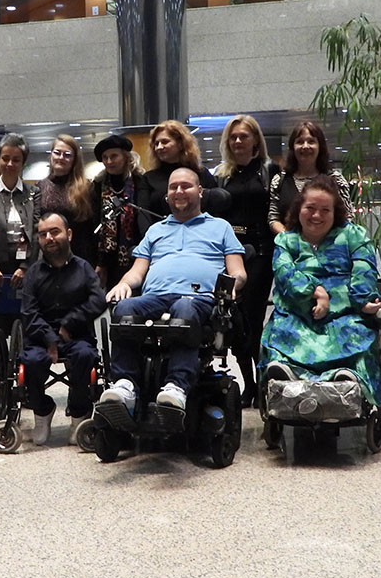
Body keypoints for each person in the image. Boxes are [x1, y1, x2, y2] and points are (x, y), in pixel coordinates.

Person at [99, 168, 245, 414]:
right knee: (124, 308)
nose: (179, 191)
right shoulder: (156, 230)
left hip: (198, 298)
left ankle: (177, 386)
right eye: (173, 187)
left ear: (200, 191)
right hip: (155, 297)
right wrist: (124, 283)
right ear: (166, 195)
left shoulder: (221, 227)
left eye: (186, 186)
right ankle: (125, 384)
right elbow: (137, 272)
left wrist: (231, 286)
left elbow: (238, 272)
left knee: (184, 308)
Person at [259, 176, 381, 406]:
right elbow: (284, 274)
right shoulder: (286, 240)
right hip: (297, 311)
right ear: (299, 209)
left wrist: (364, 299)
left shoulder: (353, 235)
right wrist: (315, 291)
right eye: (310, 208)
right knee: (282, 333)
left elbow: (364, 268)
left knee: (355, 334)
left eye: (325, 210)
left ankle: (347, 377)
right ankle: (288, 376)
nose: (316, 215)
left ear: (335, 212)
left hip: (346, 311)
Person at [19, 212, 107, 445]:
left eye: (54, 232)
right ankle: (42, 410)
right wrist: (50, 338)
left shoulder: (84, 268)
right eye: (43, 234)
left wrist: (69, 323)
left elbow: (98, 300)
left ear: (68, 234)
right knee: (31, 361)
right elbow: (28, 312)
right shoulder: (33, 273)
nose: (49, 238)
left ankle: (79, 413)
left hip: (77, 335)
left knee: (84, 356)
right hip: (40, 337)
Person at [213, 114, 280, 408]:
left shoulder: (269, 170)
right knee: (234, 321)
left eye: (244, 136)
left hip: (262, 253)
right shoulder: (221, 174)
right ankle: (248, 384)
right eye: (233, 137)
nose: (238, 141)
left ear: (255, 140)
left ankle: (262, 382)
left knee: (252, 319)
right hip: (231, 253)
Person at [268, 120, 353, 236]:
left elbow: (347, 217)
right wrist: (291, 238)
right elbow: (273, 218)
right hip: (289, 244)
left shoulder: (336, 180)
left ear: (320, 146)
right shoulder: (279, 180)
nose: (305, 146)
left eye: (311, 141)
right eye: (299, 142)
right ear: (292, 147)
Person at [0, 132, 40, 288]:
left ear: (23, 162)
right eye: (5, 158)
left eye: (16, 160)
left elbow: (36, 232)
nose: (10, 164)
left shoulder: (34, 192)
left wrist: (25, 267)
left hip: (27, 268)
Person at [91, 134, 143, 290]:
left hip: (136, 253)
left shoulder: (140, 181)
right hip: (107, 259)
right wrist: (101, 261)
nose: (109, 161)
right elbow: (96, 220)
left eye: (114, 156)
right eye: (105, 157)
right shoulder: (98, 185)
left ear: (126, 157)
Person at [37, 134, 97, 264]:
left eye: (67, 155)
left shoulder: (87, 188)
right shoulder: (39, 187)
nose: (61, 157)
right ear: (51, 155)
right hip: (49, 257)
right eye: (57, 153)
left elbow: (92, 227)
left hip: (81, 257)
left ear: (75, 159)